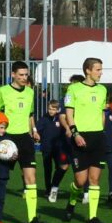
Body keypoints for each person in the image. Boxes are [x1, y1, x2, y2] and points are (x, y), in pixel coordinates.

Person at [0, 61, 47, 223]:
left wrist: (34, 130)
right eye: (20, 75)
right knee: (0, 182)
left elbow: (29, 115)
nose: (23, 78)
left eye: (26, 74)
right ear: (13, 74)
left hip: (25, 139)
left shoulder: (29, 92)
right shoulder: (2, 91)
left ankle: (32, 219)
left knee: (31, 178)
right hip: (7, 139)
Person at [63, 58, 107, 223]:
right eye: (98, 69)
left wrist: (102, 131)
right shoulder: (73, 89)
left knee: (94, 179)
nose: (100, 72)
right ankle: (72, 202)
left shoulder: (103, 90)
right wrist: (75, 134)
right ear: (88, 71)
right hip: (80, 138)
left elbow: (102, 113)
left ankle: (92, 217)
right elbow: (69, 113)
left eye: (101, 69)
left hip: (98, 139)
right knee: (80, 181)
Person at [47, 74, 84, 203]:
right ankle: (54, 190)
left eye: (75, 83)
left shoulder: (84, 99)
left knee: (83, 168)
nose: (72, 86)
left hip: (81, 140)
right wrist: (68, 128)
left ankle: (86, 194)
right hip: (66, 141)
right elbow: (62, 117)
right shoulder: (65, 100)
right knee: (63, 167)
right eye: (71, 83)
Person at [36, 100, 63, 196]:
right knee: (47, 170)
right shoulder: (44, 119)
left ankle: (54, 186)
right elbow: (36, 129)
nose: (51, 111)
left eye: (53, 109)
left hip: (58, 149)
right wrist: (36, 133)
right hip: (46, 148)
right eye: (49, 109)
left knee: (60, 167)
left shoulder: (61, 119)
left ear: (57, 110)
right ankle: (48, 189)